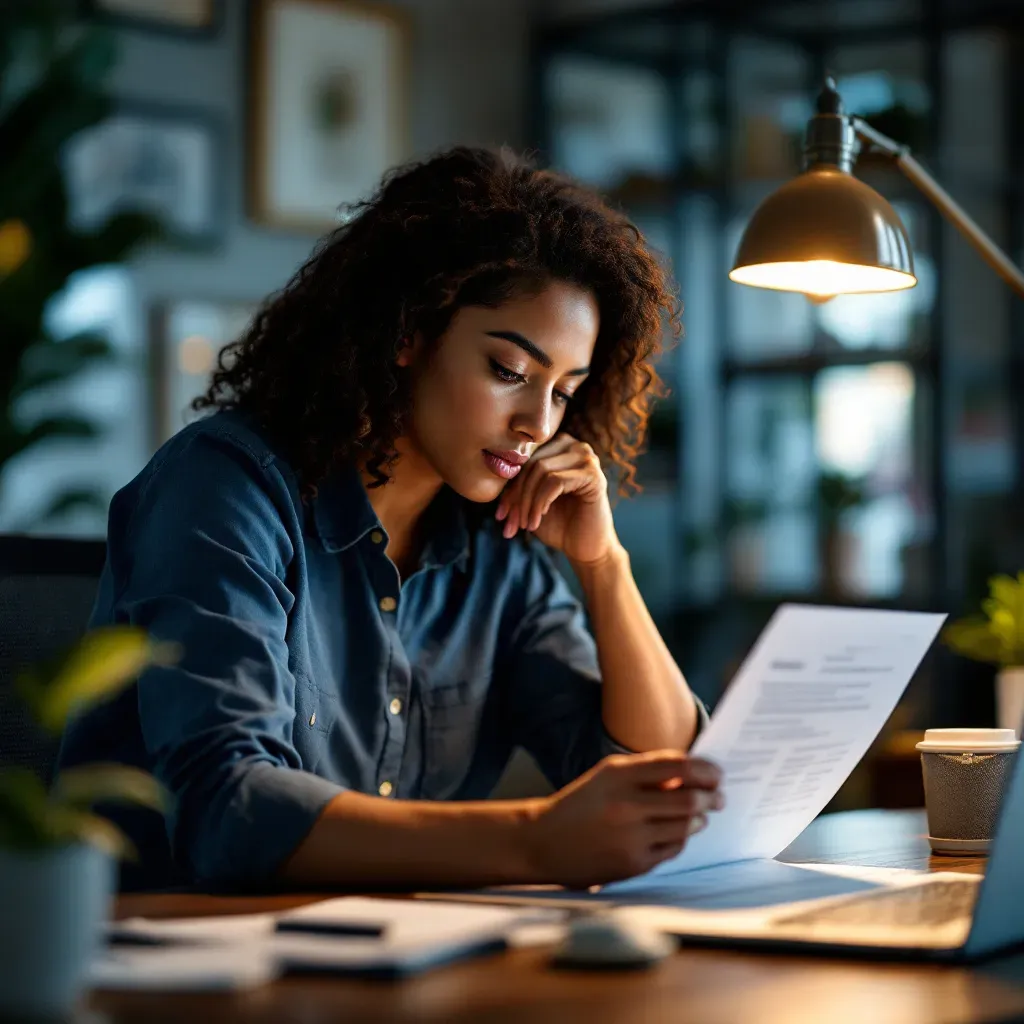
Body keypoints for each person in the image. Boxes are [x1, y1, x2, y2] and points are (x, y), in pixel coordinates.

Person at [58, 147, 723, 892]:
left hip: (386, 963)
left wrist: (605, 567)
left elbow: (655, 786)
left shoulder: (498, 543)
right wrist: (534, 841)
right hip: (160, 963)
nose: (537, 422)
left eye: (565, 391)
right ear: (408, 332)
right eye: (510, 372)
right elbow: (227, 806)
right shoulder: (227, 486)